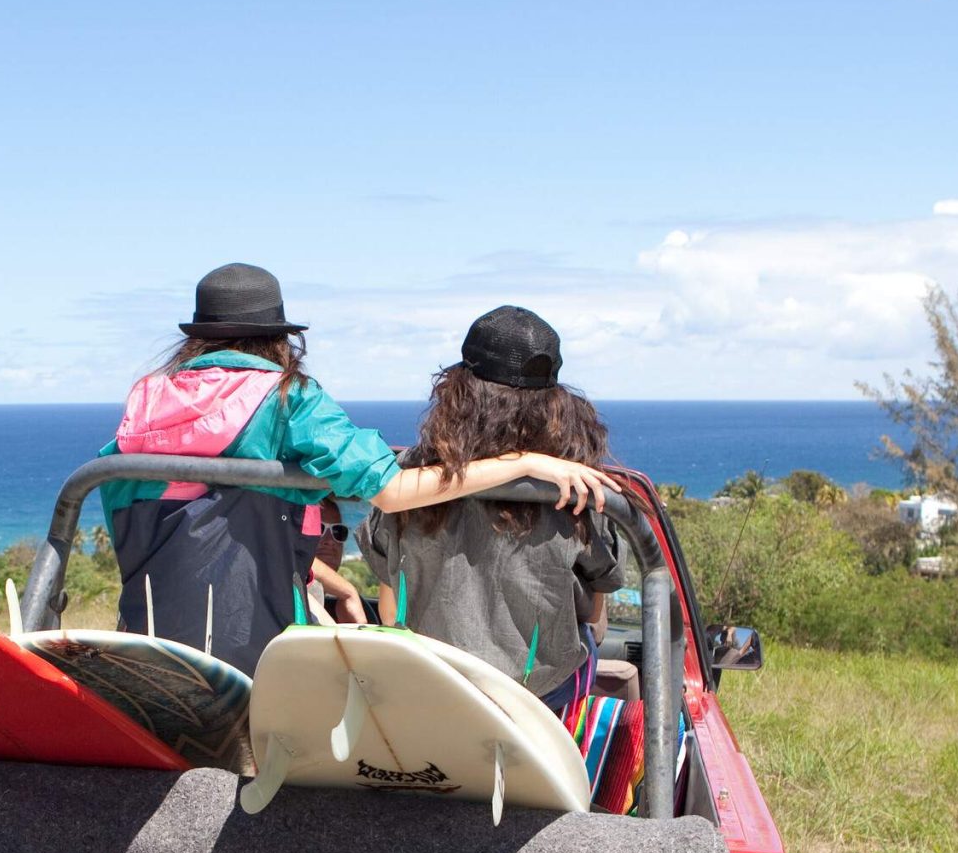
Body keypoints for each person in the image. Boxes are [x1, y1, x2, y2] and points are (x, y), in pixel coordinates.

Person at [102, 266, 612, 675]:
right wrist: (521, 463)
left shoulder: (146, 404)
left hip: (150, 633)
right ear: (280, 340)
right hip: (253, 640)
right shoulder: (286, 399)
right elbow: (388, 489)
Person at [357, 306, 622, 716]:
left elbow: (390, 610)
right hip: (534, 699)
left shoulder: (411, 477)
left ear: (459, 390)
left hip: (430, 685)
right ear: (557, 403)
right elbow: (595, 614)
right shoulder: (575, 487)